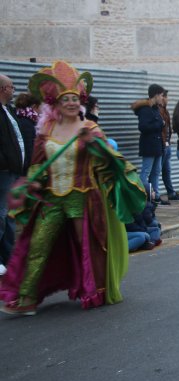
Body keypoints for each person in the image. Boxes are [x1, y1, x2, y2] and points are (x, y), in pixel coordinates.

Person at [0, 61, 146, 315]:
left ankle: (95, 291)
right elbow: (38, 165)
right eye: (65, 98)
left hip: (84, 197)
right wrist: (33, 181)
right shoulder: (46, 130)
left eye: (74, 98)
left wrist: (95, 145)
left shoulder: (89, 129)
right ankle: (27, 299)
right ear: (55, 102)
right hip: (51, 199)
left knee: (88, 245)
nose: (70, 103)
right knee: (38, 245)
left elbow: (110, 161)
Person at [0, 74, 25, 277]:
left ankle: (9, 259)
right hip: (4, 172)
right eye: (11, 86)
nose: (13, 89)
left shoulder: (8, 110)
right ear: (2, 89)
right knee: (2, 215)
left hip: (13, 171)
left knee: (9, 217)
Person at [131, 83, 167, 205]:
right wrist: (160, 125)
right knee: (146, 172)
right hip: (149, 146)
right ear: (156, 95)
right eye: (161, 95)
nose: (163, 98)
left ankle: (155, 196)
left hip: (157, 146)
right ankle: (141, 195)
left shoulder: (155, 108)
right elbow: (143, 127)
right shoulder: (145, 110)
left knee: (156, 172)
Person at [126, 184, 162, 252]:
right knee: (142, 236)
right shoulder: (126, 208)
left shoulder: (138, 206)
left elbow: (142, 222)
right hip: (129, 232)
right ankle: (122, 250)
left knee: (155, 229)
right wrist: (143, 230)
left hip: (140, 230)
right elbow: (130, 226)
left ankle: (148, 243)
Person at [159, 90, 179, 203]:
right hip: (162, 145)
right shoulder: (158, 110)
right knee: (156, 171)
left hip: (167, 145)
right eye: (166, 97)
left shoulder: (164, 110)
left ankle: (171, 193)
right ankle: (154, 195)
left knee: (166, 170)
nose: (168, 99)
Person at [14, 92, 41, 174]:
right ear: (34, 106)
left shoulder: (16, 116)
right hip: (24, 169)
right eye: (39, 108)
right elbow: (29, 148)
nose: (41, 111)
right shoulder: (27, 123)